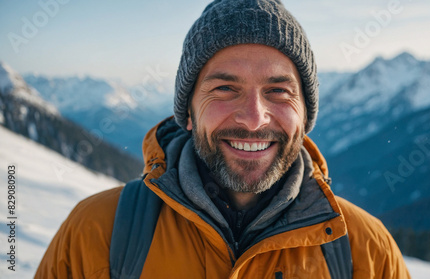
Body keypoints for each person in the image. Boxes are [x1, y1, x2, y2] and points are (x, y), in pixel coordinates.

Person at [36, 0, 410, 278]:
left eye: (278, 91)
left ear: (305, 115)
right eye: (225, 88)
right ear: (187, 111)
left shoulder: (365, 250)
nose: (253, 119)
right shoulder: (98, 231)